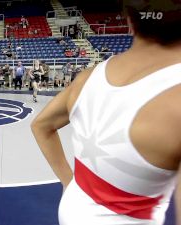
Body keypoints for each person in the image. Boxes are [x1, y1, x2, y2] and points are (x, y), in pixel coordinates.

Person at [31, 0, 181, 224]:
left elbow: (40, 125)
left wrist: (68, 182)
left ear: (128, 19)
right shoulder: (175, 102)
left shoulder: (87, 77)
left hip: (73, 211)